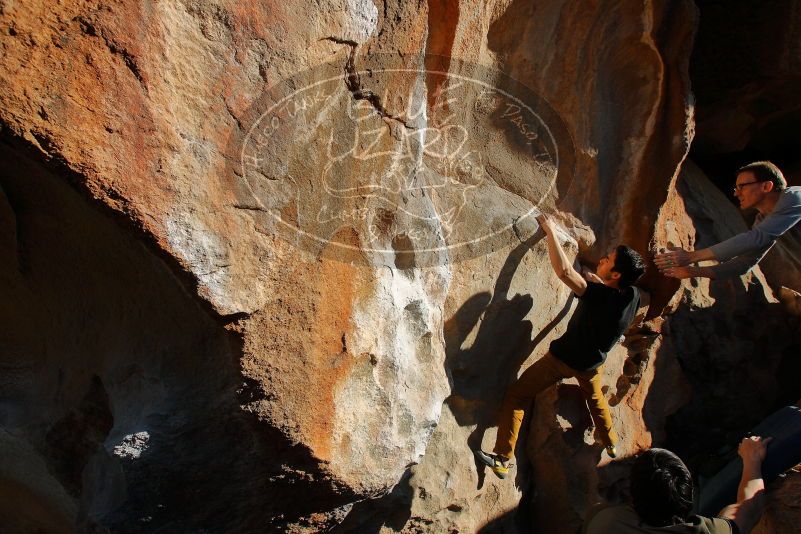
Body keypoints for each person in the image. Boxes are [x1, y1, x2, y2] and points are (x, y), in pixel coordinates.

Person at [474, 214, 646, 479]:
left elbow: (565, 272)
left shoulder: (598, 295)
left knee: (517, 395)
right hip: (592, 363)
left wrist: (550, 230)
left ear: (616, 274)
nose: (602, 258)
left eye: (608, 259)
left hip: (564, 359)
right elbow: (607, 298)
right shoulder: (631, 295)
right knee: (596, 399)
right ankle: (610, 442)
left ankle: (502, 458)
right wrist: (596, 283)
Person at [584, 436, 772, 534]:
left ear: (632, 494)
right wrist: (752, 459)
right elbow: (750, 508)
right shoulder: (705, 531)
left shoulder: (602, 520)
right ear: (689, 496)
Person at [656, 161, 801, 280]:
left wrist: (691, 257)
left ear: (766, 186)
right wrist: (692, 272)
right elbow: (745, 262)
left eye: (742, 186)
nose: (736, 193)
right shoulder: (764, 221)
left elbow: (757, 238)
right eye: (736, 188)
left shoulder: (795, 196)